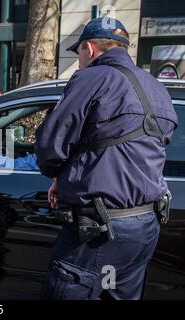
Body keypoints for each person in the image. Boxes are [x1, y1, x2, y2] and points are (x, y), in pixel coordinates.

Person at [34, 17, 178, 300]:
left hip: (99, 230)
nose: (79, 62)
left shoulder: (92, 78)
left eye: (78, 55)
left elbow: (50, 145)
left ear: (88, 48)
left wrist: (56, 173)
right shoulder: (156, 86)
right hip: (145, 225)